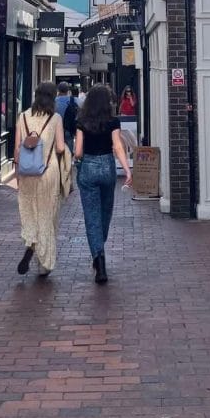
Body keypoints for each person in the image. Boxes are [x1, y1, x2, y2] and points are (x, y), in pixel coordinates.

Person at [75, 84, 132, 284]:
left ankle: (99, 260)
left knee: (91, 217)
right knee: (105, 213)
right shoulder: (112, 121)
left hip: (88, 167)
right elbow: (117, 146)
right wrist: (126, 169)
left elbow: (78, 151)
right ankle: (99, 249)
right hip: (107, 166)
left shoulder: (82, 121)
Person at [14, 81, 67, 278]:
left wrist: (18, 174)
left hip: (27, 172)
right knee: (47, 215)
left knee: (30, 211)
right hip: (48, 171)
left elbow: (17, 151)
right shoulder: (55, 118)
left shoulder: (23, 116)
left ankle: (31, 242)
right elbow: (60, 148)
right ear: (53, 97)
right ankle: (45, 263)